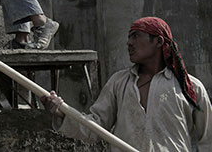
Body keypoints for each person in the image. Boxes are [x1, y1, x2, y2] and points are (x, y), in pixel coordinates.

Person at [41, 17, 212, 151]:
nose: (129, 43)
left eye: (136, 36)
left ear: (158, 42)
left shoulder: (190, 88)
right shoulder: (119, 82)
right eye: (129, 37)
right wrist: (61, 112)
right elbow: (96, 127)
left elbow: (208, 139)